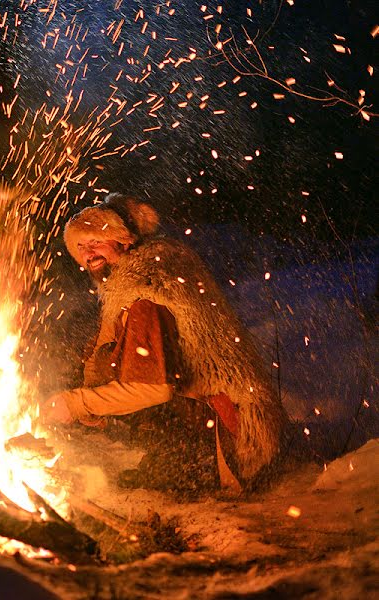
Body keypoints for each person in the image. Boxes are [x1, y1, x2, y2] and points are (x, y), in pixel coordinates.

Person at [42, 193, 287, 493]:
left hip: (235, 437)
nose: (88, 253)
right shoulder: (147, 272)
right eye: (80, 247)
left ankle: (190, 466)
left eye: (96, 242)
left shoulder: (149, 293)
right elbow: (105, 348)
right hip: (216, 418)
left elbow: (154, 390)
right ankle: (174, 457)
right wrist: (88, 391)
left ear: (124, 241)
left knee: (127, 388)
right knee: (98, 364)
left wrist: (75, 403)